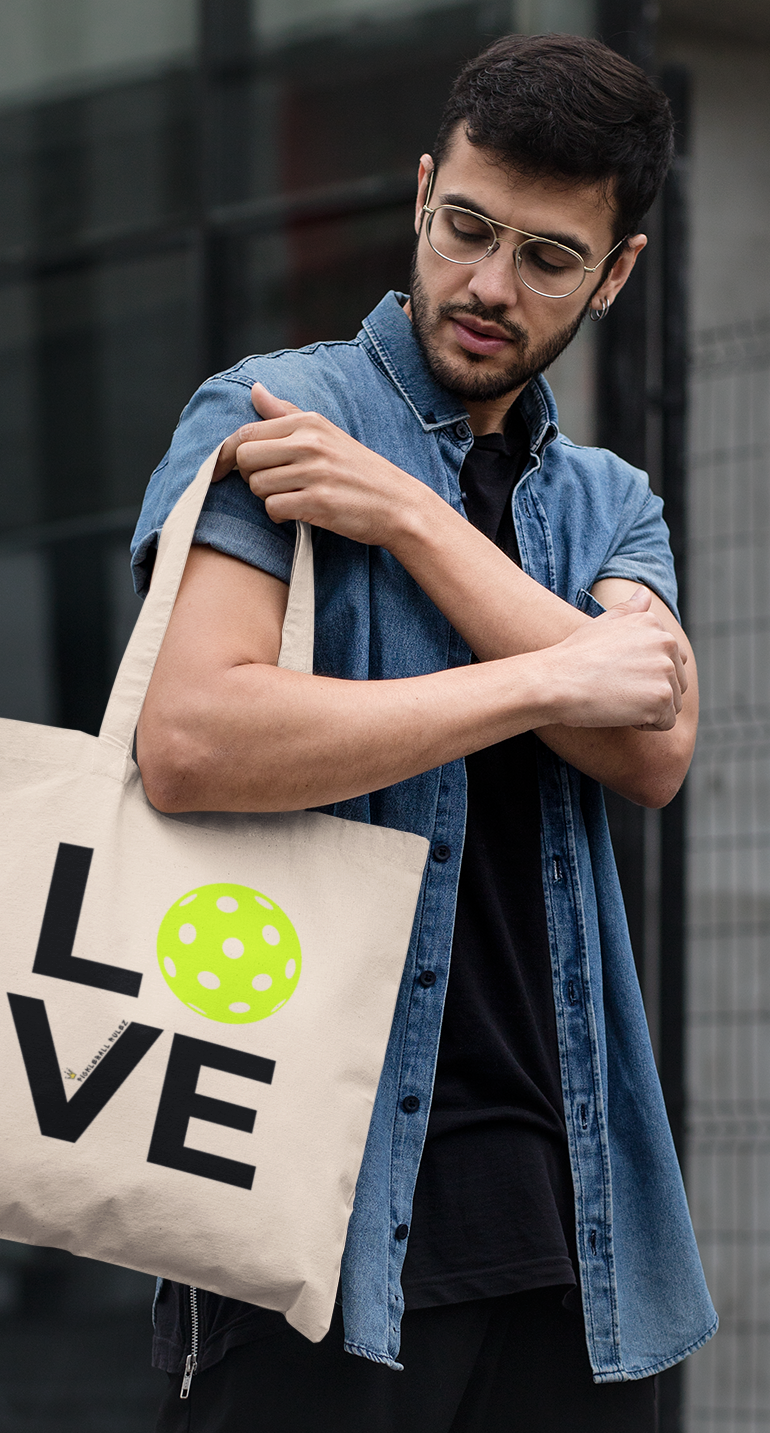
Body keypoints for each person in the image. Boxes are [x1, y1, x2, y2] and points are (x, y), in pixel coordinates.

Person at [130, 32, 716, 1433]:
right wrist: (539, 682)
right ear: (420, 193)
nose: (488, 286)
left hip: (568, 1213)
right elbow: (194, 738)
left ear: (618, 272)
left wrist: (401, 516)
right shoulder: (279, 413)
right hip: (309, 1197)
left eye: (549, 259)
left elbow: (653, 745)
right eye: (467, 228)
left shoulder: (608, 503)